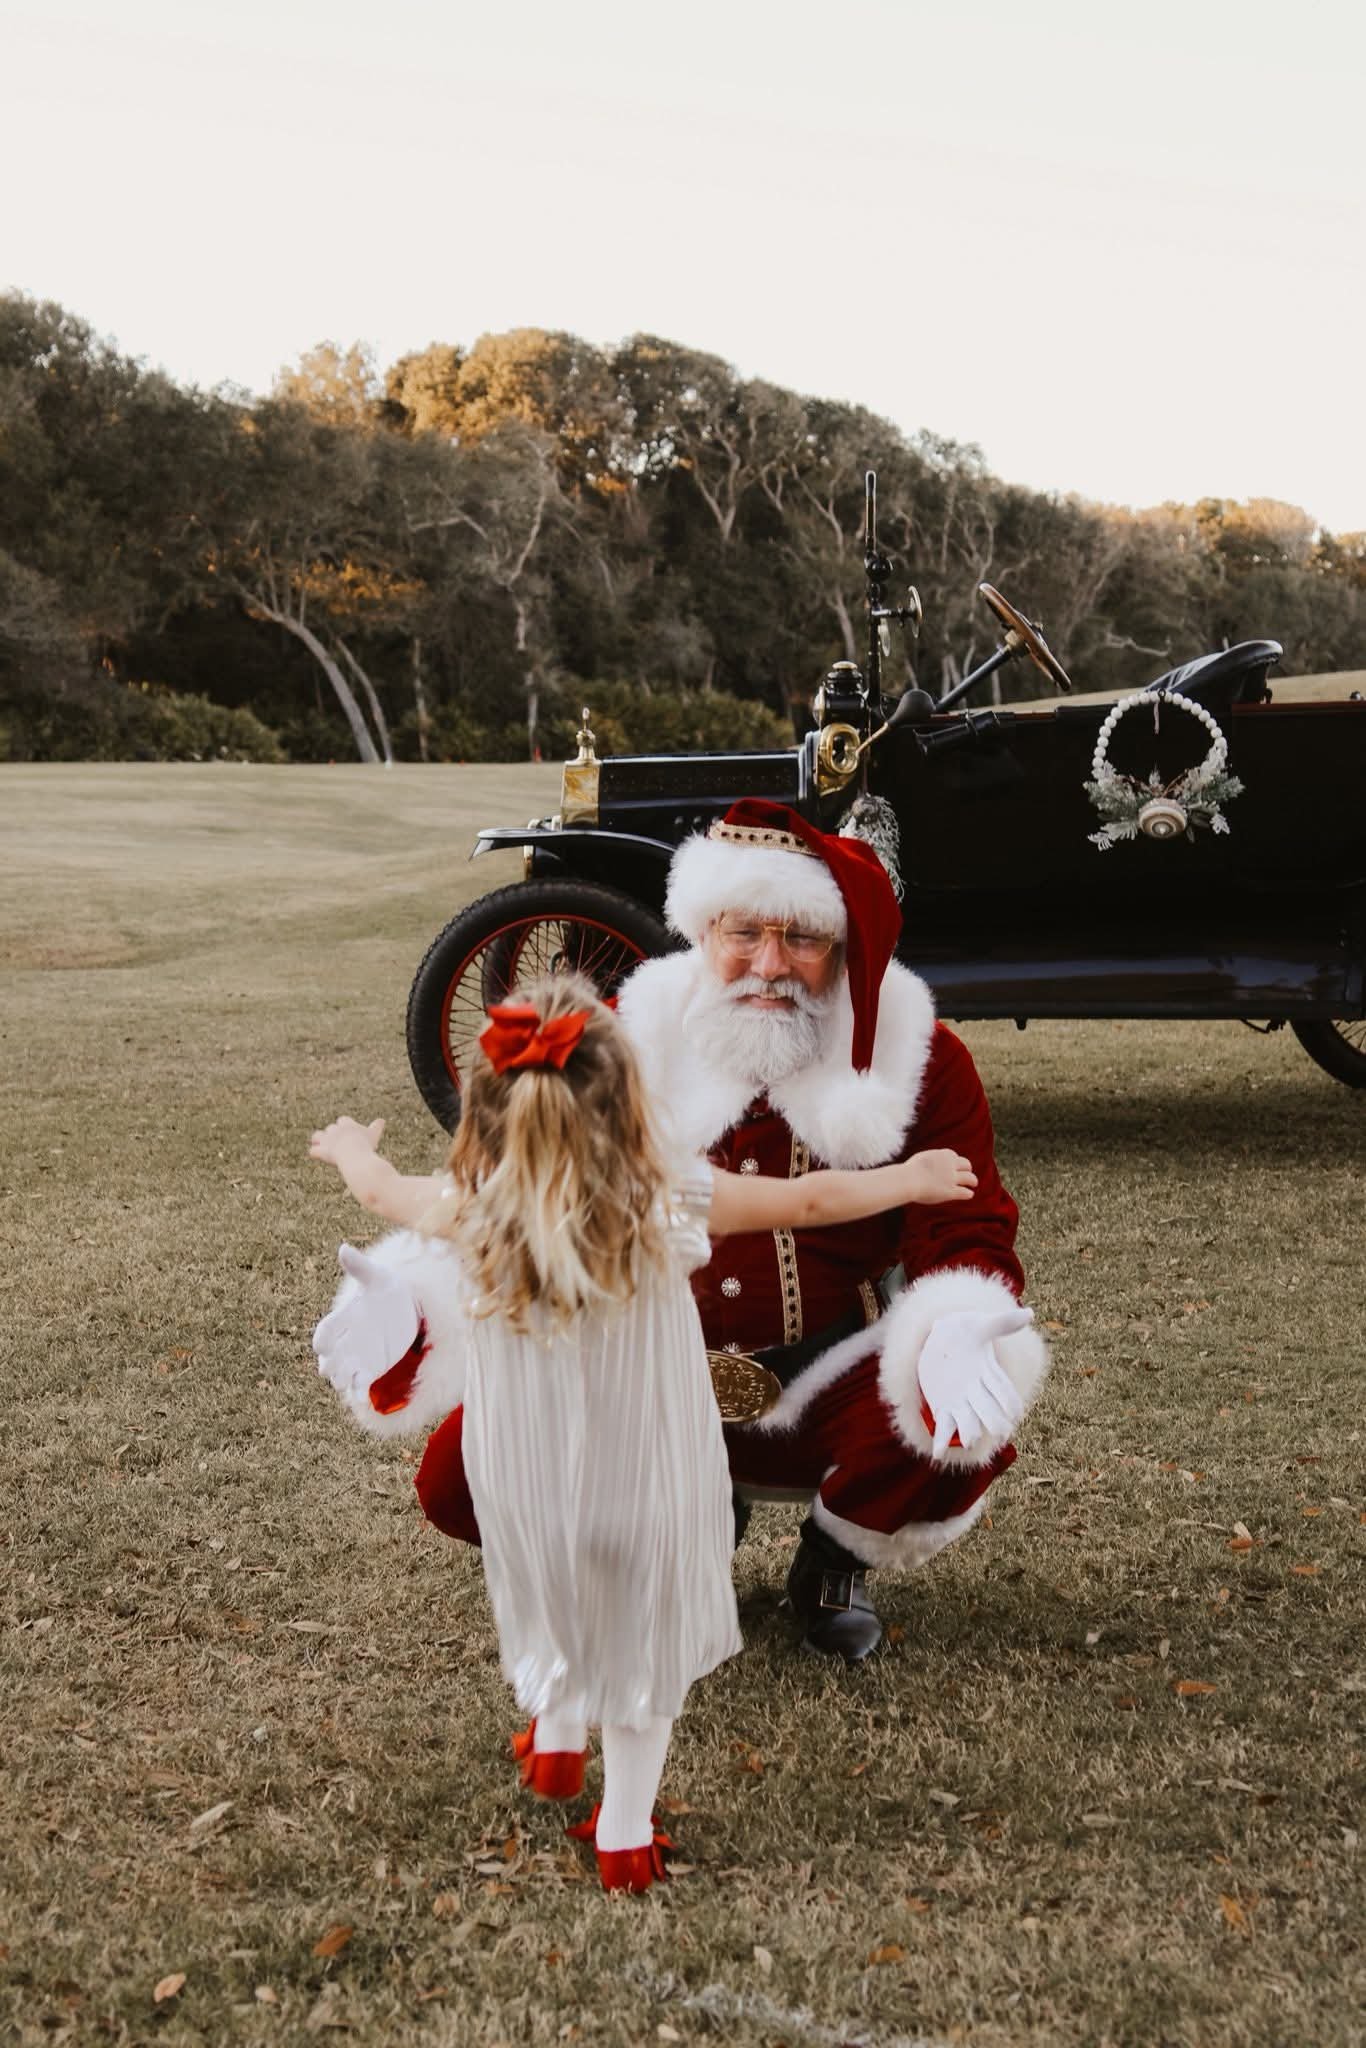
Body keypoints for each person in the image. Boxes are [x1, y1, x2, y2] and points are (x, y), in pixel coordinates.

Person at [310, 973, 980, 1891]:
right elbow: (810, 1205)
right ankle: (624, 1834)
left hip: (529, 1485)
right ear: (627, 1096)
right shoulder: (667, 1194)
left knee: (553, 1602)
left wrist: (350, 1146)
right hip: (645, 1479)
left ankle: (552, 1745)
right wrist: (909, 1176)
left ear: (491, 1110)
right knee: (638, 1656)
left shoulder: (467, 1205)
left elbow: (379, 1190)